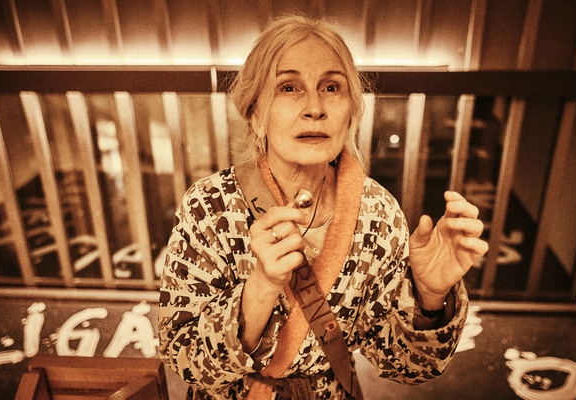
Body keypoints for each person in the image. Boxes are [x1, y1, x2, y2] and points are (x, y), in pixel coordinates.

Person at [158, 15, 488, 400]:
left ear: (351, 112)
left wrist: (429, 298)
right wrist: (261, 286)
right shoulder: (210, 206)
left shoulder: (377, 213)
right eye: (289, 87)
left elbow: (405, 365)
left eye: (331, 87)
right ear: (255, 113)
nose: (315, 108)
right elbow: (181, 357)